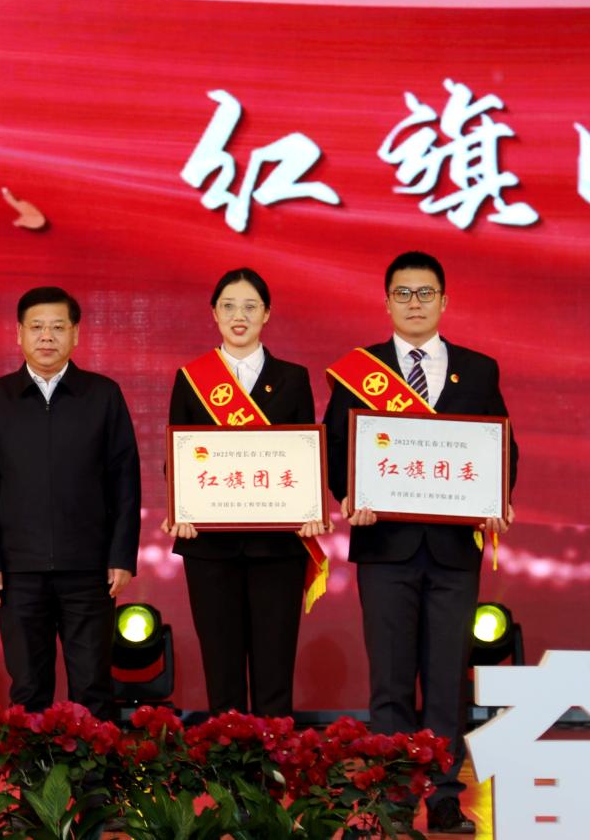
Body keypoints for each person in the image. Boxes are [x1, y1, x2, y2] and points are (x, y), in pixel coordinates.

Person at [326, 252, 518, 835]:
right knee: (389, 680)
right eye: (403, 293)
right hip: (385, 547)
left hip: (454, 552)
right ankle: (389, 798)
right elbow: (337, 447)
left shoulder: (478, 370)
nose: (415, 303)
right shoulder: (359, 371)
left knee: (446, 680)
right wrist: (348, 495)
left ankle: (443, 796)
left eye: (425, 293)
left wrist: (497, 499)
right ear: (386, 302)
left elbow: (502, 446)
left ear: (444, 301)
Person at [0, 286, 142, 721]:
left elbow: (125, 480)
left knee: (93, 690)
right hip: (18, 571)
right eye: (37, 327)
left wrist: (121, 555)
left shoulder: (103, 395)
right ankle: (33, 770)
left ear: (75, 334)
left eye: (58, 327)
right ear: (19, 334)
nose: (47, 337)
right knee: (28, 692)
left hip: (90, 570)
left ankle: (94, 770)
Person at [164, 267, 326, 717]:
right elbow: (177, 457)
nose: (240, 316)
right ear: (214, 313)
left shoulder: (293, 378)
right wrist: (180, 506)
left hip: (277, 548)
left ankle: (275, 759)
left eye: (250, 306)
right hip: (210, 549)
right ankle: (228, 761)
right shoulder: (191, 378)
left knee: (275, 671)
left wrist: (311, 506)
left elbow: (304, 455)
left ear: (267, 314)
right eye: (229, 306)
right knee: (223, 674)